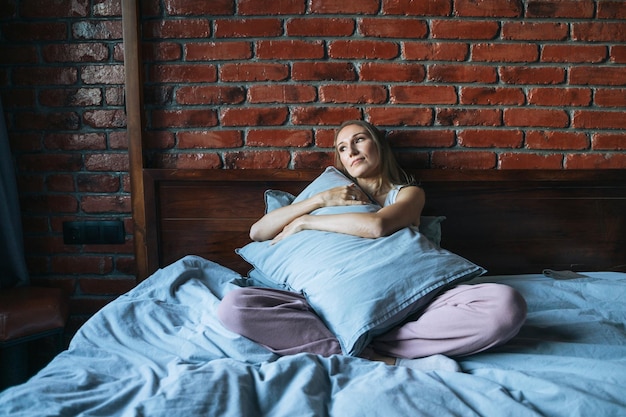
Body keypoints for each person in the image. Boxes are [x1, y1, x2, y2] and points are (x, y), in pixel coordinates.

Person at [218, 120, 527, 371]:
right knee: (235, 306)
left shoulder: (407, 194)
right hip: (325, 304)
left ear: (378, 146)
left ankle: (364, 347)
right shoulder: (327, 197)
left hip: (407, 303)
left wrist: (307, 222)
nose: (350, 150)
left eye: (359, 140)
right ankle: (365, 354)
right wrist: (319, 202)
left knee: (505, 305)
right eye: (342, 147)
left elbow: (378, 225)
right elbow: (258, 232)